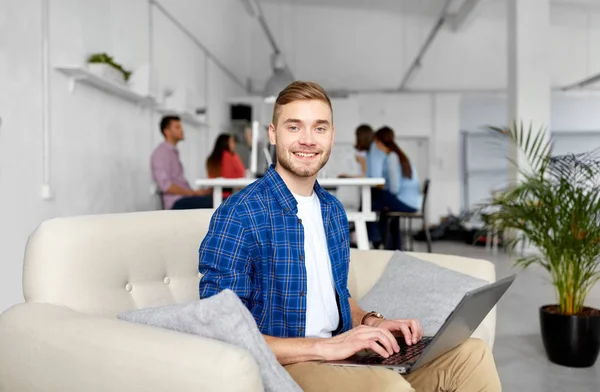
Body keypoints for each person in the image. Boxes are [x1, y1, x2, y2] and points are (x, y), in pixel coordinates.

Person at [198, 81, 501, 392]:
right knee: (389, 388)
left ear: (332, 135)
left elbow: (335, 298)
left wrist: (373, 322)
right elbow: (224, 330)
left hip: (342, 357)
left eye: (319, 128)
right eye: (294, 127)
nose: (307, 140)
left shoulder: (332, 211)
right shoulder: (240, 213)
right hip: (287, 366)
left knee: (472, 355)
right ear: (273, 134)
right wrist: (324, 348)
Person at [372, 126, 423, 250]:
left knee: (375, 197)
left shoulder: (392, 157)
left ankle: (374, 238)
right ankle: (386, 243)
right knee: (381, 208)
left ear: (378, 141)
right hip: (412, 202)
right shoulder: (398, 155)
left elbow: (394, 188)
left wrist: (383, 189)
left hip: (405, 202)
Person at [150, 115, 212, 210]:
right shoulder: (161, 153)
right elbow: (166, 186)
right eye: (177, 127)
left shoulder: (173, 152)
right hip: (176, 201)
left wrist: (197, 193)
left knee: (222, 201)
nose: (181, 130)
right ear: (167, 132)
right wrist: (193, 193)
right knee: (220, 203)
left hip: (185, 197)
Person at [206, 133, 246, 199]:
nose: (234, 145)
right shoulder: (232, 157)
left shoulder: (211, 159)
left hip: (214, 195)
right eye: (232, 142)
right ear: (226, 143)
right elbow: (242, 175)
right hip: (231, 196)